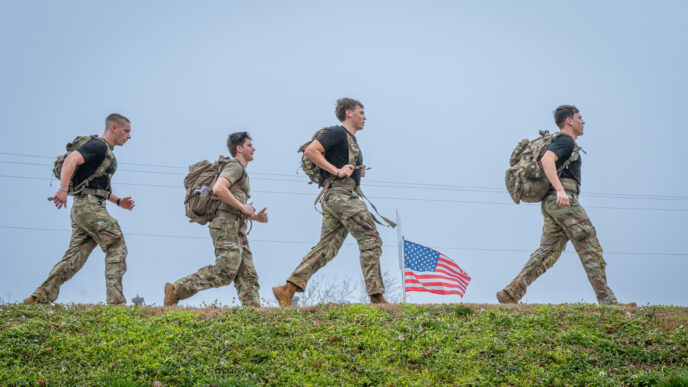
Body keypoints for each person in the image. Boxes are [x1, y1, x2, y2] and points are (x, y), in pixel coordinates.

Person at [497, 105, 624, 305]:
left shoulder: (562, 141)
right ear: (569, 121)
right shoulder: (565, 140)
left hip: (552, 203)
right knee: (589, 244)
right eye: (580, 117)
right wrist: (560, 190)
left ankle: (512, 292)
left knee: (548, 251)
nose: (584, 122)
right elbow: (548, 160)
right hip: (562, 200)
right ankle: (608, 302)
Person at [272, 97, 387, 306]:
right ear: (349, 113)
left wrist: (354, 173)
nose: (365, 117)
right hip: (340, 197)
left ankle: (287, 289)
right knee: (370, 237)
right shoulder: (336, 132)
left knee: (327, 248)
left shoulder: (352, 140)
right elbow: (311, 151)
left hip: (336, 197)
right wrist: (337, 171)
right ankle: (376, 296)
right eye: (361, 112)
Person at [24, 113, 134, 305]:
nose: (129, 136)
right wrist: (62, 189)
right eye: (126, 131)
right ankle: (116, 303)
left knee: (74, 258)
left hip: (85, 207)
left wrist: (118, 202)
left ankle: (40, 296)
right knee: (116, 244)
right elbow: (71, 160)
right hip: (89, 208)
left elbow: (98, 188)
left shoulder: (109, 155)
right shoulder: (98, 146)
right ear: (113, 128)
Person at [164, 132, 267, 307]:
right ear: (239, 148)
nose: (254, 148)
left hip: (235, 225)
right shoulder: (235, 166)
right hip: (225, 224)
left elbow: (229, 200)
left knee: (247, 274)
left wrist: (252, 215)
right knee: (225, 271)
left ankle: (254, 313)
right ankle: (177, 290)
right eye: (249, 145)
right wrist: (243, 207)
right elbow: (219, 189)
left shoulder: (239, 170)